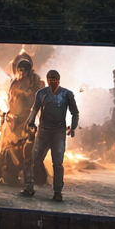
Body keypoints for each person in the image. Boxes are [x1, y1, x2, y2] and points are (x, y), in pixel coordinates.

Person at [22, 69, 80, 201]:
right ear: (47, 80)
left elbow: (75, 112)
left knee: (58, 163)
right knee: (34, 159)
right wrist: (30, 123)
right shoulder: (41, 94)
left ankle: (57, 192)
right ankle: (29, 187)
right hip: (43, 132)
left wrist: (73, 127)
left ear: (59, 80)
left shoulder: (67, 94)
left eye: (55, 80)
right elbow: (34, 109)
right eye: (50, 80)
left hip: (58, 133)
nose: (53, 82)